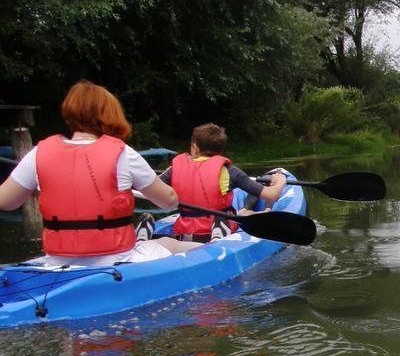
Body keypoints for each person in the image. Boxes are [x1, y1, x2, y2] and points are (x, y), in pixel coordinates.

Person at [0, 80, 200, 266]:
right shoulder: (122, 153)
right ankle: (220, 247)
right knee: (168, 243)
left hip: (57, 262)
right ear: (109, 115)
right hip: (116, 260)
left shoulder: (39, 153)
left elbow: (6, 201)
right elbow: (169, 201)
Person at [155, 123, 286, 242]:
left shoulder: (175, 169)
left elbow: (151, 187)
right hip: (218, 228)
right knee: (238, 213)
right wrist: (280, 180)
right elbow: (272, 195)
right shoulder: (229, 171)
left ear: (194, 147)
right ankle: (219, 231)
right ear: (220, 150)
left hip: (185, 232)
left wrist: (169, 172)